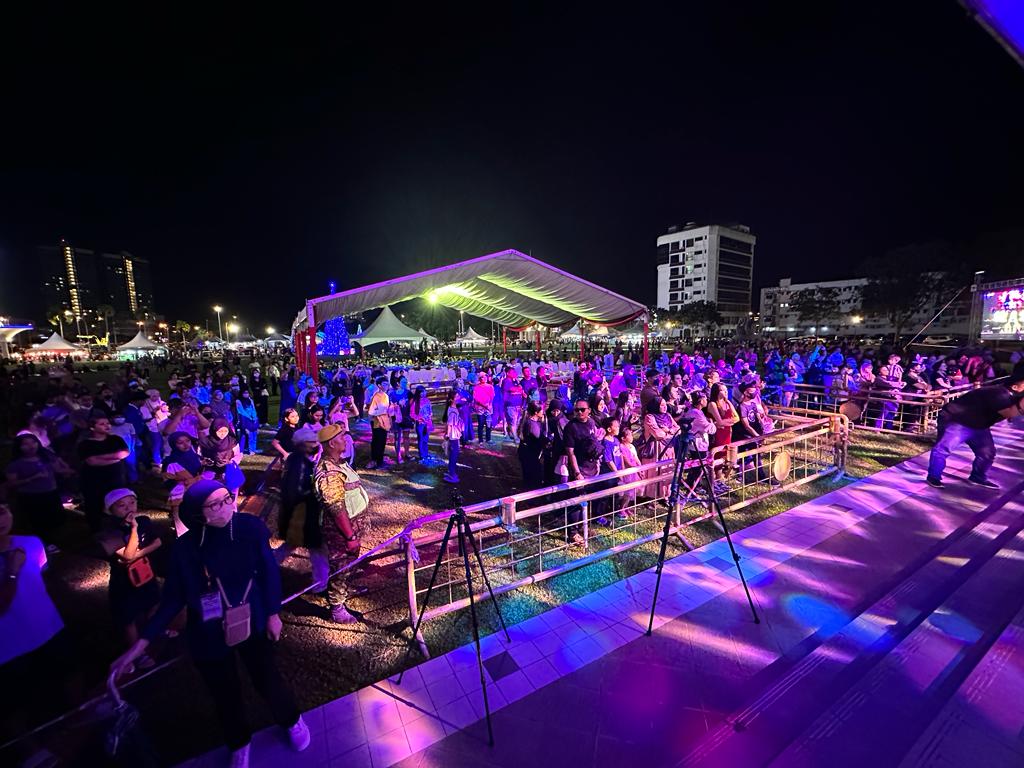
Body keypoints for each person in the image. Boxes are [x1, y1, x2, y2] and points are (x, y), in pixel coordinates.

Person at [111, 481, 309, 768]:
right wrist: (141, 644)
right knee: (224, 692)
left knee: (267, 677)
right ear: (197, 513)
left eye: (227, 498)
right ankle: (239, 742)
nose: (227, 505)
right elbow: (172, 600)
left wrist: (273, 614)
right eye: (215, 503)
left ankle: (291, 720)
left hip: (252, 619)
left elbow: (268, 572)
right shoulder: (185, 549)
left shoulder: (250, 528)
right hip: (208, 632)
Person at [0, 503, 73, 752]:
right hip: (8, 645)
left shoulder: (31, 543)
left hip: (50, 627)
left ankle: (79, 721)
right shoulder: (19, 556)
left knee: (69, 675)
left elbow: (40, 579)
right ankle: (29, 750)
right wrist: (11, 571)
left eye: (1, 510)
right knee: (15, 703)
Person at [96, 489, 162, 672]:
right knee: (129, 617)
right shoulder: (109, 531)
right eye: (121, 506)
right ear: (110, 509)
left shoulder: (144, 521)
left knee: (153, 603)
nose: (128, 508)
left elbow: (157, 543)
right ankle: (137, 654)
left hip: (145, 574)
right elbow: (128, 554)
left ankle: (153, 634)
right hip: (124, 582)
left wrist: (135, 555)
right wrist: (133, 530)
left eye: (131, 503)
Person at [926, 372, 1024, 489]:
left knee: (987, 453)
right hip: (957, 419)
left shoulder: (1013, 396)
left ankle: (978, 477)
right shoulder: (1000, 394)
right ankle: (934, 476)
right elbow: (1009, 413)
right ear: (1014, 387)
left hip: (978, 424)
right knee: (943, 448)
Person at [314, 424, 369, 624]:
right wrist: (350, 536)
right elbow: (336, 508)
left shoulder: (339, 463)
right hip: (341, 532)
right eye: (342, 438)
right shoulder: (330, 472)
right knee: (341, 567)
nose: (346, 440)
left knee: (349, 564)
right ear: (331, 443)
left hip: (352, 527)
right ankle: (337, 607)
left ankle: (344, 590)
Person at [275, 426, 328, 592]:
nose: (316, 444)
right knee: (316, 547)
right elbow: (295, 491)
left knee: (292, 544)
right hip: (302, 514)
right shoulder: (299, 464)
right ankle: (321, 583)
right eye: (311, 442)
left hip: (298, 514)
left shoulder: (299, 460)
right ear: (302, 444)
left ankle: (267, 563)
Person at [5, 433, 70, 552]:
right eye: (26, 444)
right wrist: (33, 478)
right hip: (32, 496)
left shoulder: (46, 456)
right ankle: (46, 543)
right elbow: (12, 483)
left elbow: (58, 469)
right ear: (19, 447)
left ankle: (56, 539)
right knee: (39, 521)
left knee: (56, 518)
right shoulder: (15, 464)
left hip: (51, 492)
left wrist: (69, 470)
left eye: (33, 442)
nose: (31, 446)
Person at [77, 413, 130, 532]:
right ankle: (96, 531)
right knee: (94, 505)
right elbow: (92, 461)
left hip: (115, 479)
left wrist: (102, 458)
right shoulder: (86, 444)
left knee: (118, 503)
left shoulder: (115, 439)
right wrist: (115, 458)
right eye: (102, 424)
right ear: (92, 427)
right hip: (94, 481)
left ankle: (120, 529)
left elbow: (125, 453)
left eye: (107, 423)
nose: (107, 426)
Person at [563, 398, 604, 544]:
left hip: (592, 468)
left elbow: (593, 443)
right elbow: (570, 453)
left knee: (586, 500)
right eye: (576, 410)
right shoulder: (570, 427)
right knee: (576, 501)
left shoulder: (592, 423)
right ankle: (572, 533)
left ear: (588, 411)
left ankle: (583, 526)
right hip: (579, 470)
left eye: (582, 409)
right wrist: (577, 473)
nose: (579, 412)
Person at [162, 431, 204, 537]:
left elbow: (201, 472)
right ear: (173, 445)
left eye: (187, 441)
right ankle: (182, 536)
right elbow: (167, 478)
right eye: (180, 442)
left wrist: (197, 479)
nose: (185, 445)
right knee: (180, 515)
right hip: (180, 492)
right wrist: (179, 478)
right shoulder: (170, 461)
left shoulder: (196, 457)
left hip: (196, 490)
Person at [640, 396, 680, 499]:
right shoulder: (649, 417)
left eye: (665, 404)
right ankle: (651, 497)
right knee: (655, 472)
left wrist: (668, 431)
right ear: (655, 406)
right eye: (661, 405)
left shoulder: (668, 416)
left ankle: (665, 495)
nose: (664, 407)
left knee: (666, 471)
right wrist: (669, 432)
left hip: (669, 447)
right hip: (656, 450)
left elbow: (678, 429)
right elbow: (658, 434)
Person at [517, 400, 547, 490]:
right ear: (536, 412)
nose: (543, 412)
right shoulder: (532, 425)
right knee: (533, 479)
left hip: (526, 453)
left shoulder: (532, 422)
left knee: (528, 477)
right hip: (529, 455)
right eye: (542, 410)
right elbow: (539, 438)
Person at [366, 377, 390, 469]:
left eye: (387, 384)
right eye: (384, 384)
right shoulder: (376, 396)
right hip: (377, 422)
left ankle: (380, 461)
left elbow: (387, 409)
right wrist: (380, 413)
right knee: (377, 441)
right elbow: (371, 412)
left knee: (383, 441)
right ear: (379, 386)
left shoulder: (386, 396)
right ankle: (374, 460)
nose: (386, 386)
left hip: (385, 422)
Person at [443, 391, 464, 484]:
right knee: (454, 454)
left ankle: (451, 472)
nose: (459, 397)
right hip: (453, 435)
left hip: (454, 434)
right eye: (457, 396)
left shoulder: (453, 409)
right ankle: (452, 474)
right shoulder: (452, 410)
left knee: (453, 454)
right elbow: (449, 424)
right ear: (452, 399)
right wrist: (447, 435)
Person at [410, 386, 434, 462]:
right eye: (422, 392)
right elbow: (412, 414)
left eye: (424, 391)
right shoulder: (415, 402)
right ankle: (421, 455)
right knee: (421, 439)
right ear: (418, 393)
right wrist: (419, 418)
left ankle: (426, 453)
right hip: (420, 424)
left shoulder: (427, 400)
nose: (424, 393)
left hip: (427, 423)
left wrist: (430, 415)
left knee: (426, 439)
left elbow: (430, 410)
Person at [472, 372, 495, 443]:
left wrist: (488, 404)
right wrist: (483, 405)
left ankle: (488, 439)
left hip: (488, 408)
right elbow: (475, 398)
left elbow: (492, 396)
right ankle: (480, 439)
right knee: (481, 425)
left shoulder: (490, 386)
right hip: (480, 409)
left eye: (485, 377)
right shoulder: (476, 387)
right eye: (482, 377)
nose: (484, 378)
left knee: (488, 424)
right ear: (479, 378)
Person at [235, 390, 260, 455]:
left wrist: (254, 417)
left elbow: (253, 409)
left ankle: (253, 449)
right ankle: (242, 450)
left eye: (247, 393)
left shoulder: (250, 400)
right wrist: (249, 417)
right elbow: (241, 411)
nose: (246, 394)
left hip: (252, 420)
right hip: (245, 420)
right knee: (245, 436)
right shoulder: (238, 401)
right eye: (244, 393)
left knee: (254, 435)